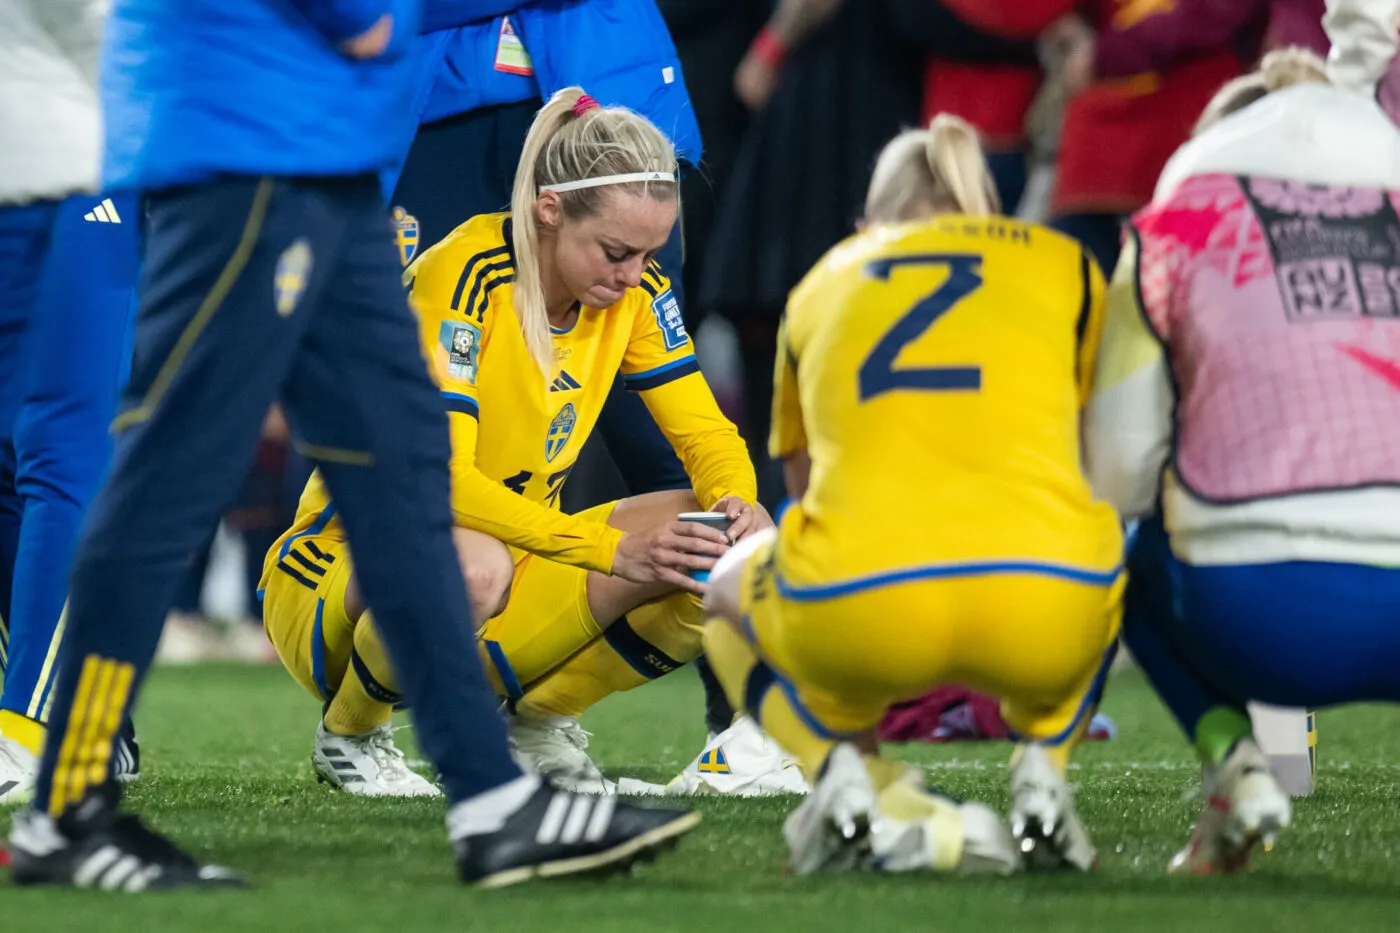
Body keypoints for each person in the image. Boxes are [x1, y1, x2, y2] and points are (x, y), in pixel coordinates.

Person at [7, 1, 698, 891]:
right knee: (164, 478)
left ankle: (491, 801)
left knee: (405, 481)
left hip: (328, 165)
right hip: (250, 148)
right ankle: (67, 807)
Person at [262, 87, 773, 797]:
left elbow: (705, 430)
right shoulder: (465, 273)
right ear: (549, 209)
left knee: (721, 547)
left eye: (650, 253)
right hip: (342, 570)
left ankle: (534, 725)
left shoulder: (634, 291)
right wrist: (610, 551)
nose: (633, 276)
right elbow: (443, 484)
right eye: (617, 251)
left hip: (515, 557)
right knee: (475, 566)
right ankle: (350, 733)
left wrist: (737, 500)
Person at [702, 115, 1126, 875]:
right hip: (1041, 604)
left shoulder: (822, 282)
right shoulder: (1068, 266)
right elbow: (1108, 455)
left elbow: (803, 492)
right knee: (1115, 548)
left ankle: (842, 774)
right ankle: (1044, 773)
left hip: (864, 604)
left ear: (871, 222)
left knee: (722, 601)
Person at [1084, 0, 1400, 874]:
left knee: (1133, 547)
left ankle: (1240, 763)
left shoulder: (1179, 222)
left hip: (1262, 611)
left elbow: (1116, 470)